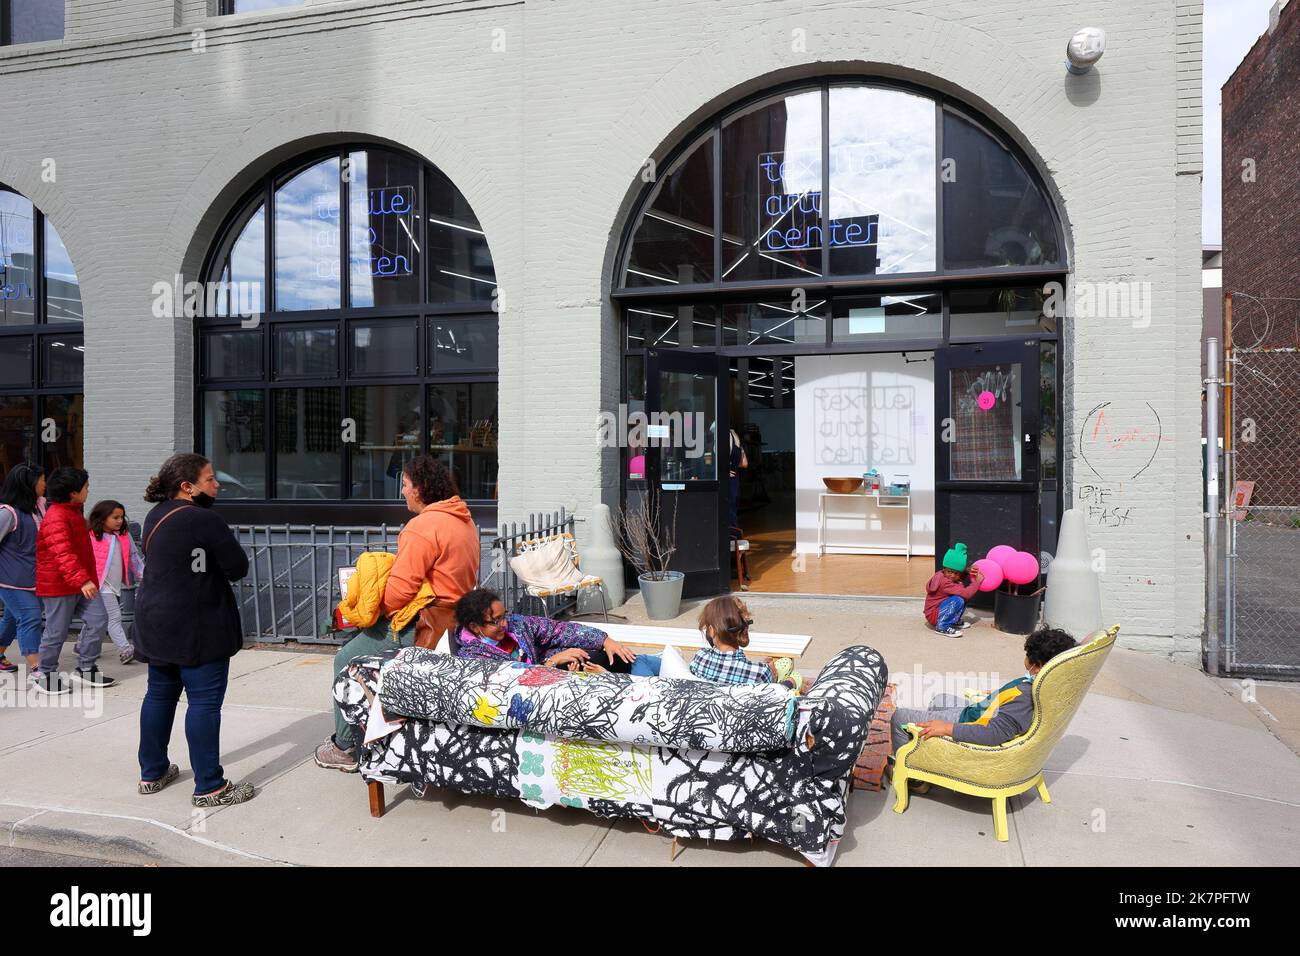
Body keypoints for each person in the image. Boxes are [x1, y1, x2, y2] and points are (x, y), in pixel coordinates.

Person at [315, 456, 481, 772]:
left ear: (420, 489)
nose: (402, 492)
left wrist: (367, 608)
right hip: (456, 619)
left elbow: (399, 593)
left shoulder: (421, 527)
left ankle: (346, 747)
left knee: (345, 659)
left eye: (405, 485)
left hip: (424, 623)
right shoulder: (464, 520)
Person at [133, 453, 254, 807]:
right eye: (209, 479)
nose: (217, 485)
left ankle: (152, 773)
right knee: (203, 702)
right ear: (188, 487)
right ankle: (210, 787)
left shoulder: (156, 514)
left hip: (155, 620)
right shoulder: (204, 520)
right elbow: (237, 567)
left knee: (159, 694)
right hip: (198, 626)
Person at [891, 627, 1077, 754]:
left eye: (1028, 655)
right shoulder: (1041, 683)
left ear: (1036, 665)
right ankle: (931, 749)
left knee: (899, 717)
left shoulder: (1025, 698)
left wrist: (947, 728)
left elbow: (993, 733)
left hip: (972, 722)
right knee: (939, 699)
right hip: (981, 711)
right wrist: (998, 695)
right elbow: (1013, 703)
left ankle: (912, 775)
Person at [33, 467, 113, 695]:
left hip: (81, 582)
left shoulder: (74, 511)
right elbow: (63, 553)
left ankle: (86, 667)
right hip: (59, 585)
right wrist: (83, 580)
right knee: (56, 631)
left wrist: (84, 580)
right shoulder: (56, 517)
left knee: (98, 620)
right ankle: (45, 673)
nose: (89, 490)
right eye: (86, 487)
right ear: (73, 493)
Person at [453, 588, 642, 673]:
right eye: (495, 620)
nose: (504, 623)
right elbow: (513, 681)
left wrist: (604, 640)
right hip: (532, 698)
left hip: (546, 669)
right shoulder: (473, 657)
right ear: (474, 626)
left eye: (504, 615)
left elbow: (557, 629)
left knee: (606, 655)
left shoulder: (516, 624)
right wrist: (552, 663)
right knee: (595, 664)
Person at [689, 595, 802, 690]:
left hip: (717, 708)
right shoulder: (760, 672)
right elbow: (771, 694)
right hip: (759, 698)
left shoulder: (700, 658)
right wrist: (774, 675)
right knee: (795, 675)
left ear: (712, 631)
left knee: (784, 664)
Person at [0, 463, 45, 676]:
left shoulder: (37, 510)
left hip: (33, 580)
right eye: (42, 480)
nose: (45, 484)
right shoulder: (8, 513)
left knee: (11, 619)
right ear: (29, 484)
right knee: (30, 616)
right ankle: (38, 668)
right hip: (10, 581)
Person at [88, 499, 145, 665]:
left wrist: (144, 576)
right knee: (114, 616)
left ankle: (82, 646)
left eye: (122, 517)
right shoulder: (91, 536)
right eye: (115, 517)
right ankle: (125, 649)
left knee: (96, 619)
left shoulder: (124, 536)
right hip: (98, 584)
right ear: (102, 518)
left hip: (112, 584)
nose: (120, 520)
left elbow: (134, 557)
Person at [924, 542, 983, 637]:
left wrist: (966, 571)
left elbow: (957, 577)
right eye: (950, 572)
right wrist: (977, 582)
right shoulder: (945, 582)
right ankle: (942, 626)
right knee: (959, 599)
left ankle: (952, 621)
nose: (952, 575)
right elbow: (966, 593)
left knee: (961, 598)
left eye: (956, 573)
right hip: (934, 615)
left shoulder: (943, 574)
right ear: (944, 568)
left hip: (938, 611)